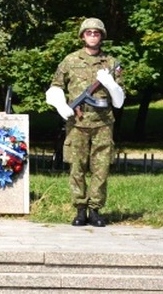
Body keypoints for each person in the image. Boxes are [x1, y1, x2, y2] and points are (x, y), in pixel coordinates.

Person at [45, 17, 125, 227]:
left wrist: (110, 84)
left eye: (96, 33)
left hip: (103, 123)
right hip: (78, 123)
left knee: (101, 168)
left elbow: (119, 101)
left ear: (102, 37)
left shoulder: (112, 63)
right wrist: (61, 105)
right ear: (82, 36)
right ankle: (80, 209)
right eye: (88, 33)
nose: (92, 36)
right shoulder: (70, 60)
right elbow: (54, 87)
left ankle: (95, 210)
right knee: (77, 167)